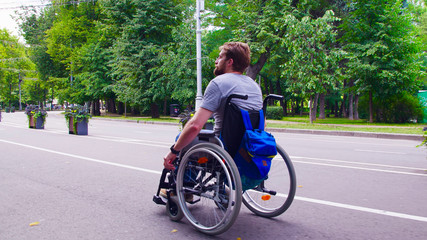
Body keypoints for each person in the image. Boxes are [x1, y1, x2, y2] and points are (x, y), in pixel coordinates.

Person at [163, 42, 263, 170]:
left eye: (220, 57)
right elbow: (262, 124)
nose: (216, 61)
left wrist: (174, 151)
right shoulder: (254, 85)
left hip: (223, 146)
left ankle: (185, 185)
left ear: (229, 62)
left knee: (182, 138)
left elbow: (195, 126)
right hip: (248, 147)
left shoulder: (219, 83)